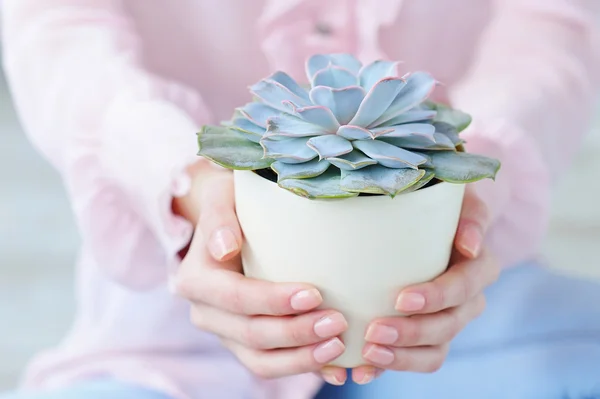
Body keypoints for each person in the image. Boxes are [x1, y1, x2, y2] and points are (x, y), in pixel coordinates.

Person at [1, 1, 600, 398]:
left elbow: (552, 27)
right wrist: (184, 183)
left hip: (458, 308)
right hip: (165, 329)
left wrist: (476, 179)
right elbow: (58, 35)